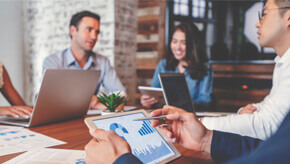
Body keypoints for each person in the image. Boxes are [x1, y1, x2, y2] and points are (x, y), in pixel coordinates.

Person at [84, 0, 290, 163]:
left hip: (189, 124)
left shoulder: (203, 68)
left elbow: (206, 101)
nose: (257, 22)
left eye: (263, 13)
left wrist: (197, 123)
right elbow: (273, 110)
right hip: (178, 125)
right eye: (174, 41)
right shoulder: (165, 65)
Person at [201, 0, 290, 140]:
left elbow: (269, 125)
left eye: (264, 14)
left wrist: (201, 123)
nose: (257, 23)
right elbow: (271, 105)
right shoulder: (282, 61)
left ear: (288, 17)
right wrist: (250, 110)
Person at [42, 11, 126, 110]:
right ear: (73, 30)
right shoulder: (53, 61)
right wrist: (98, 103)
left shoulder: (103, 62)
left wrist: (97, 100)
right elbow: (52, 100)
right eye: (89, 30)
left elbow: (120, 94)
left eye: (97, 32)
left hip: (89, 119)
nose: (94, 37)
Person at [140, 22, 213, 111]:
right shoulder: (163, 64)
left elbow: (205, 102)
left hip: (189, 117)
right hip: (165, 115)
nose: (177, 47)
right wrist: (148, 100)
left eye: (183, 43)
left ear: (193, 45)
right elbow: (154, 93)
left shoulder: (205, 68)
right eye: (174, 41)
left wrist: (181, 104)